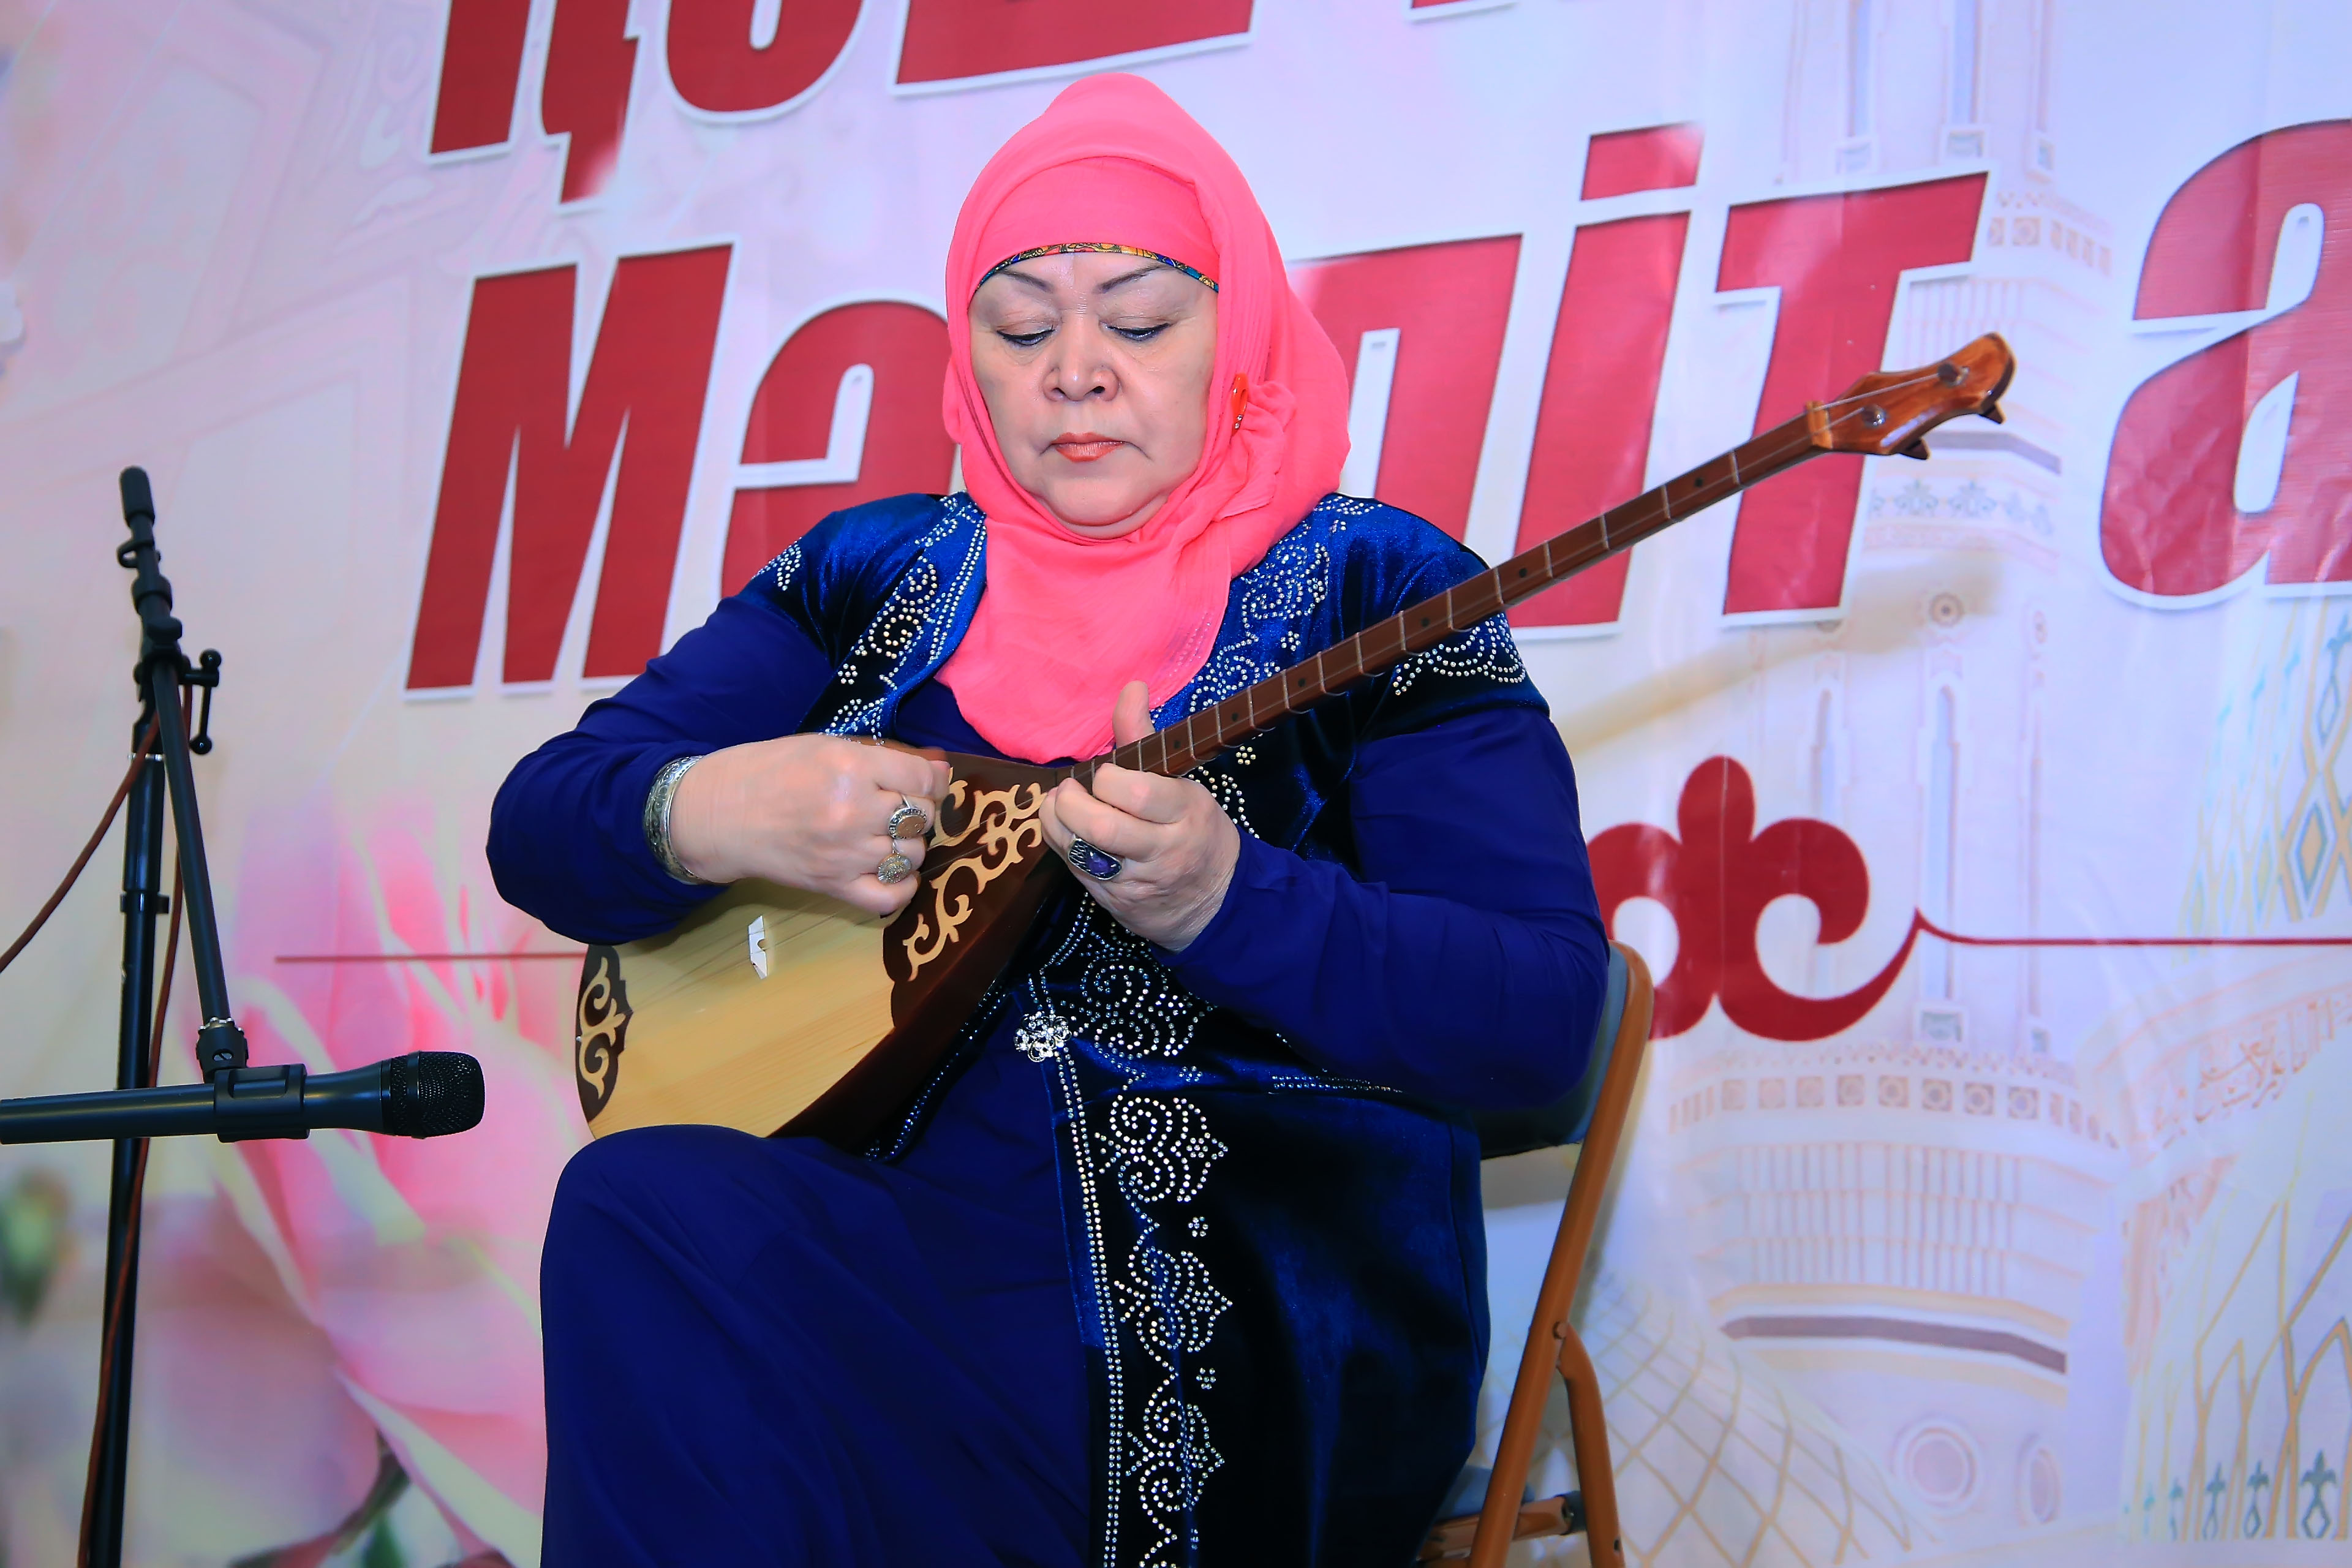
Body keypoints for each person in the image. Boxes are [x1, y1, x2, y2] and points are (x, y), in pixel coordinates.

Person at [492, 74, 1608, 1568]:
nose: (1075, 371)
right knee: (641, 1208)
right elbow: (540, 824)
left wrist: (1234, 901)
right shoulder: (873, 576)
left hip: (1237, 1330)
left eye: (1138, 323)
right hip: (877, 1266)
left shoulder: (1386, 592)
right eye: (1022, 330)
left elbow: (1543, 1022)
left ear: (1238, 337)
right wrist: (702, 807)